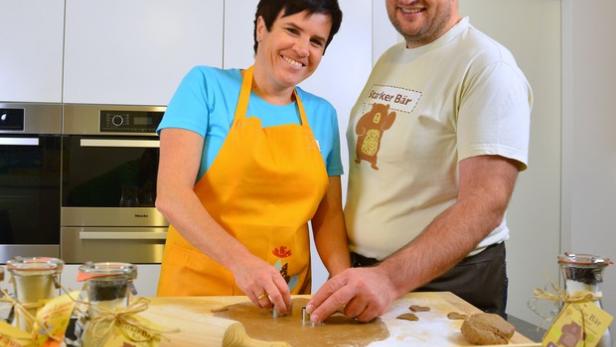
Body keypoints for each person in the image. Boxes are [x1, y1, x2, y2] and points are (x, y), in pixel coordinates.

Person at [307, 0, 532, 322]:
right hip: (369, 274)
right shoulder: (392, 58)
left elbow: (486, 203)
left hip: (449, 282)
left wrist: (388, 278)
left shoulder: (487, 66)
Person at [155, 0, 350, 315]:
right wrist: (241, 262)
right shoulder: (206, 86)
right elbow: (172, 196)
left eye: (316, 41)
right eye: (292, 30)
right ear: (262, 27)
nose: (303, 49)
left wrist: (342, 279)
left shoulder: (322, 114)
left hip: (285, 299)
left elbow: (328, 217)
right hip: (198, 297)